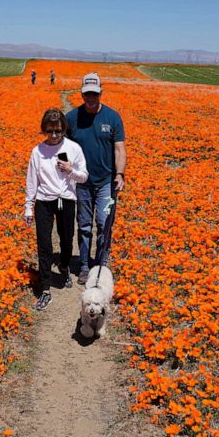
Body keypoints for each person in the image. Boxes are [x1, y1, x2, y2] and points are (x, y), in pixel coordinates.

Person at [24, 108, 88, 310]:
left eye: (58, 131)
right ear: (44, 130)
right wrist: (28, 207)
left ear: (63, 129)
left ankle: (63, 265)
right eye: (50, 131)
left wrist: (71, 171)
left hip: (65, 199)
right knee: (43, 244)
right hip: (44, 200)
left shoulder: (74, 148)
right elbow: (31, 180)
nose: (53, 136)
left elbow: (84, 176)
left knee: (66, 239)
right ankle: (45, 289)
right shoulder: (38, 151)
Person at [65, 72, 126, 285]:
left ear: (101, 93)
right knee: (83, 225)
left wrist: (119, 174)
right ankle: (83, 265)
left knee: (103, 222)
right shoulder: (72, 118)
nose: (91, 98)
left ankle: (100, 264)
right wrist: (66, 171)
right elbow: (63, 148)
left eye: (94, 94)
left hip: (105, 182)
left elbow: (119, 149)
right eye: (87, 94)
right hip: (81, 181)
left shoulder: (112, 117)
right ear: (82, 94)